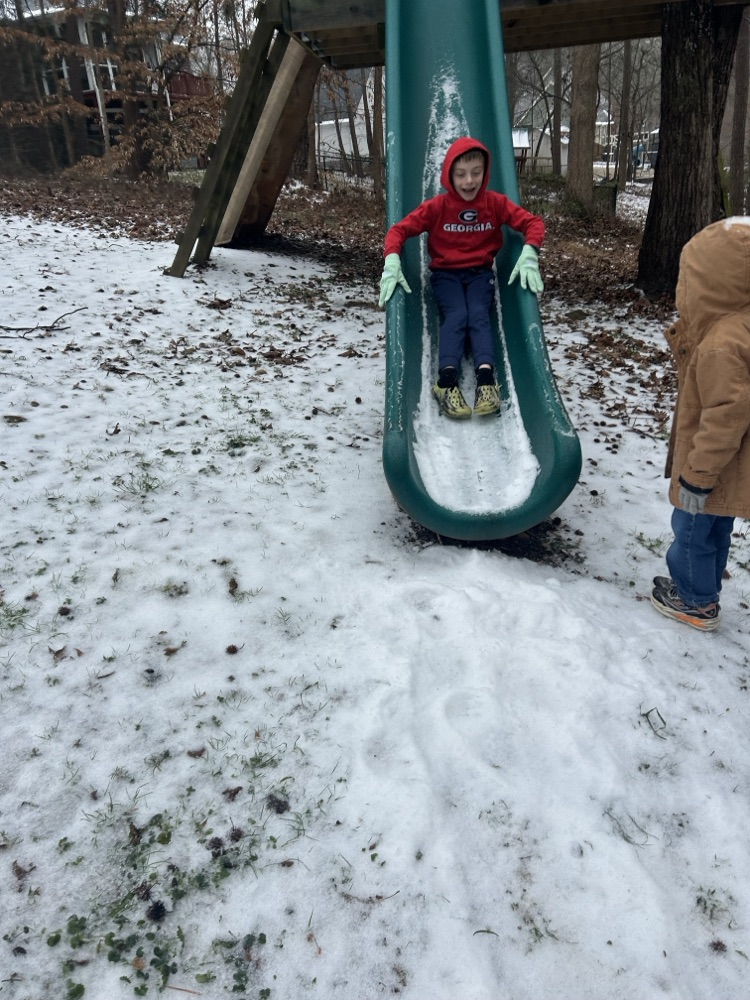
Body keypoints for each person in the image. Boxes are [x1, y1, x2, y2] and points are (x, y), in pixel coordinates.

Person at [378, 136, 545, 419]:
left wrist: (530, 252)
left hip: (480, 273)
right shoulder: (437, 207)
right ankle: (446, 381)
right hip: (446, 275)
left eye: (476, 173)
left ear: (485, 172)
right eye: (461, 174)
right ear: (449, 175)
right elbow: (399, 230)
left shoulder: (494, 203)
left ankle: (486, 380)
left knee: (478, 314)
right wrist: (392, 259)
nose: (469, 181)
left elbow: (533, 223)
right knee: (458, 315)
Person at [651, 218, 750, 632]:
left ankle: (695, 600)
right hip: (729, 469)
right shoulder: (738, 326)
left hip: (708, 470)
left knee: (690, 531)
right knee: (715, 528)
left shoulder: (719, 346)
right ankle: (704, 587)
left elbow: (726, 414)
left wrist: (697, 476)